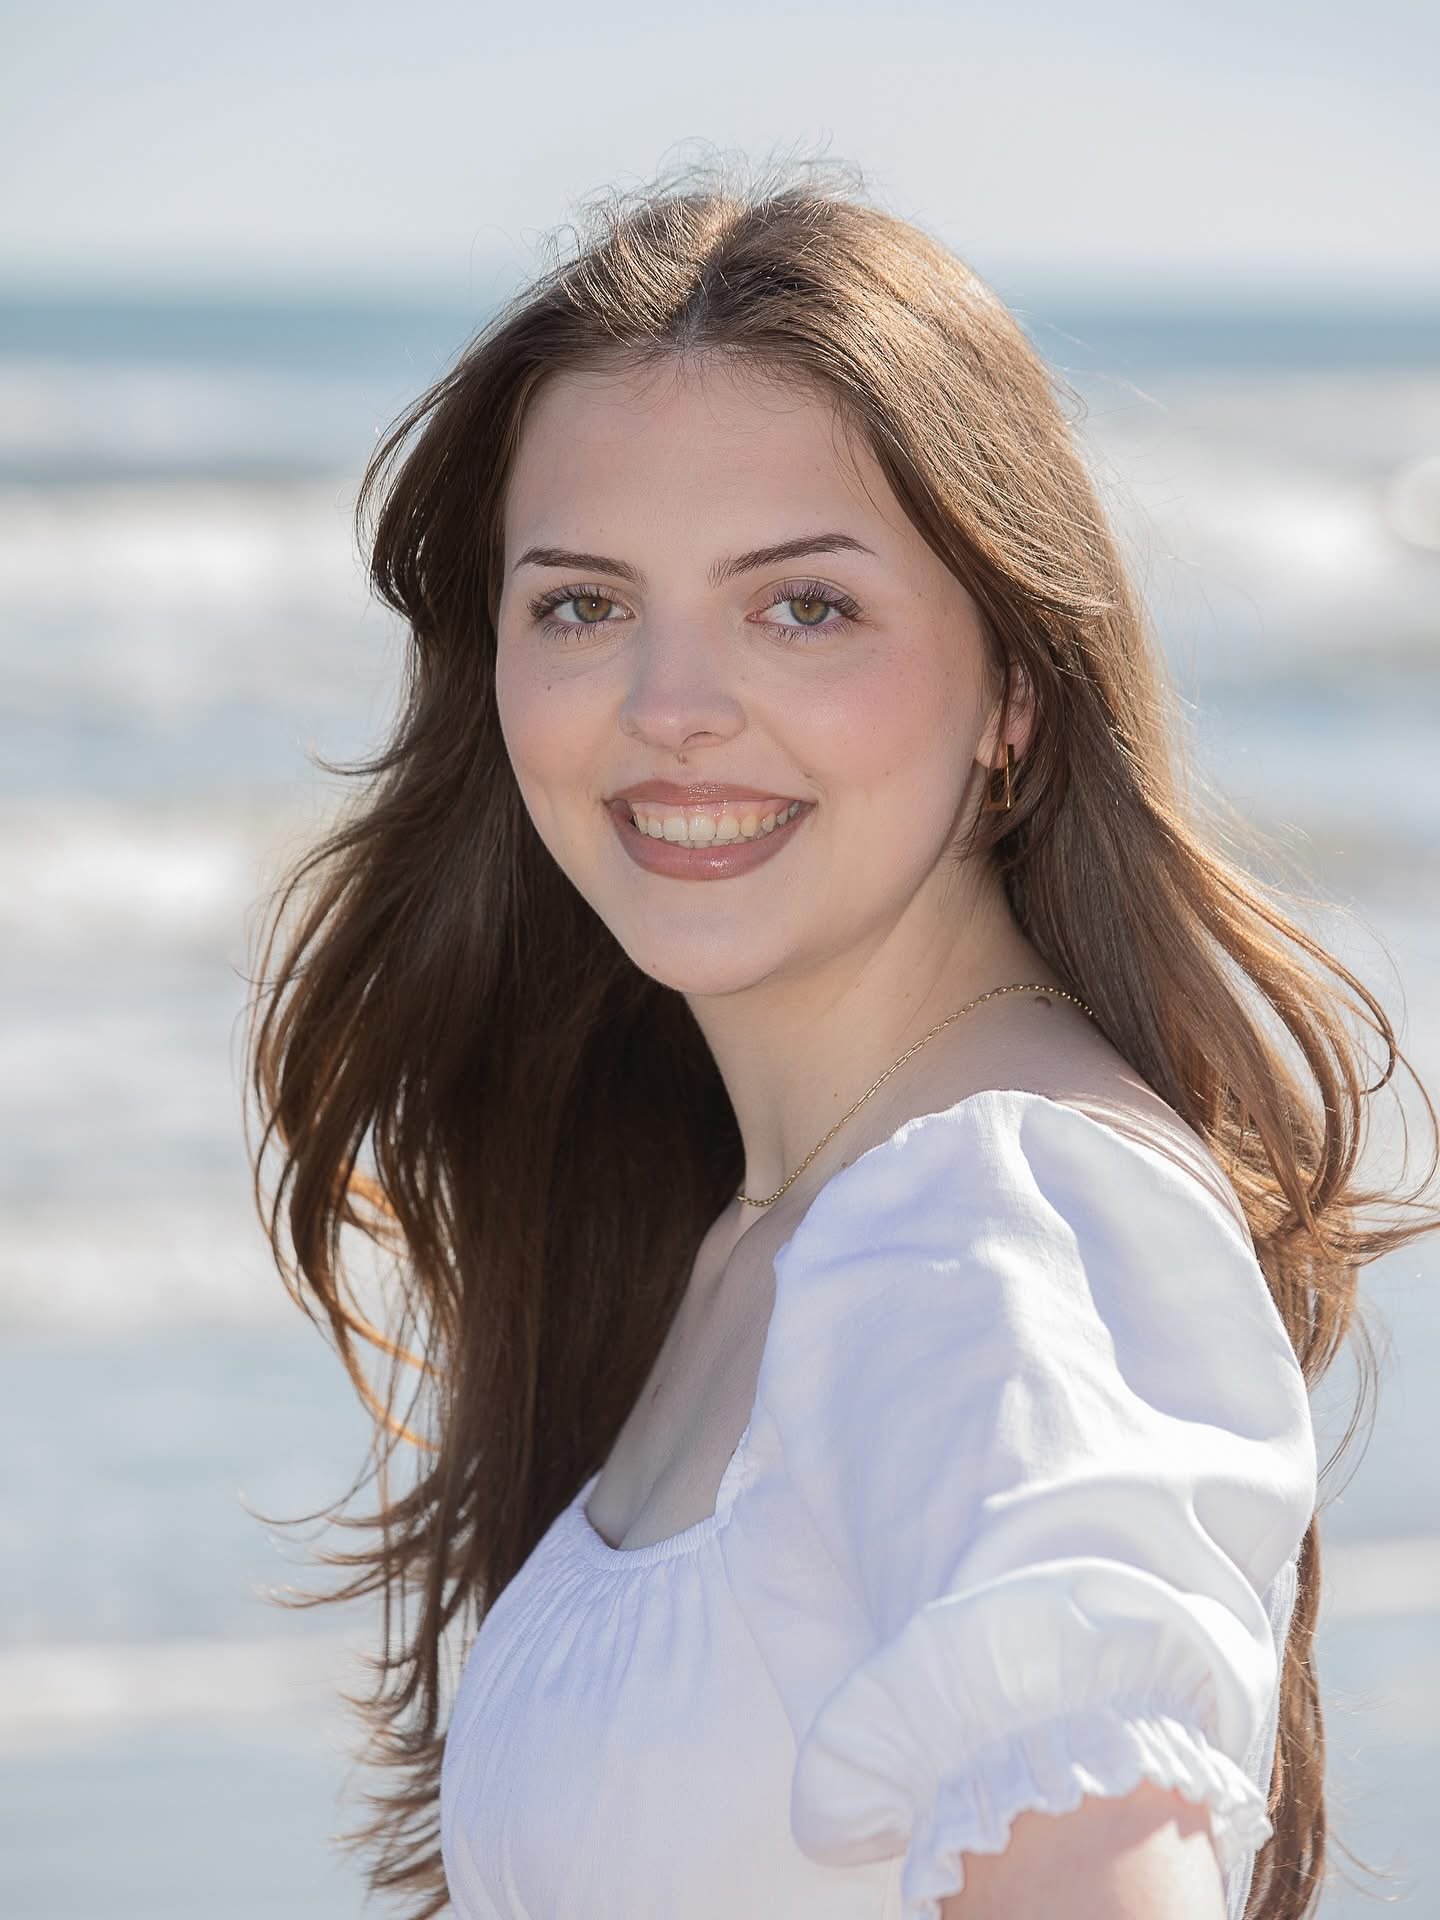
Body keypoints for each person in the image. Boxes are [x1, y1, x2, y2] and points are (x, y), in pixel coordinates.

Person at [245, 158, 1440, 1920]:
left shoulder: (982, 1224)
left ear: (1015, 688)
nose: (669, 709)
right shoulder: (756, 1225)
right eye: (581, 603)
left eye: (803, 605)